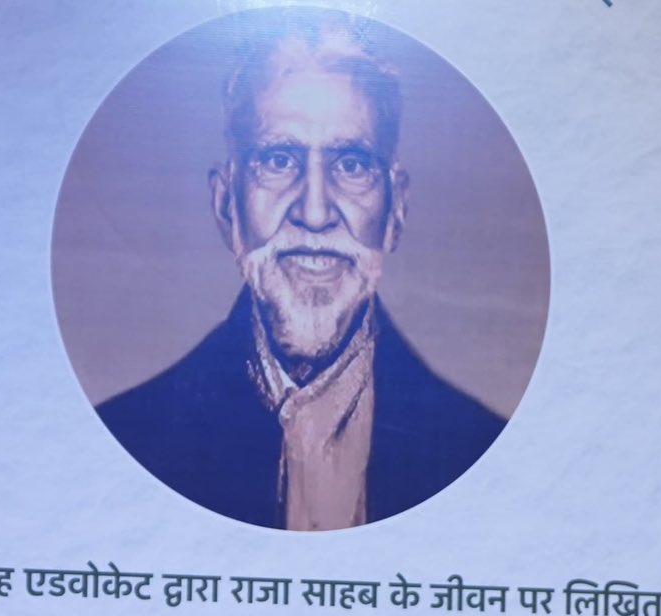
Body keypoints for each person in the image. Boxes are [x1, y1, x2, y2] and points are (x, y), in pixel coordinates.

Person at [94, 12, 505, 530]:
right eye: (280, 160)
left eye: (351, 163)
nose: (315, 211)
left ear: (396, 210)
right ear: (227, 206)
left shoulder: (479, 449)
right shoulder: (129, 437)